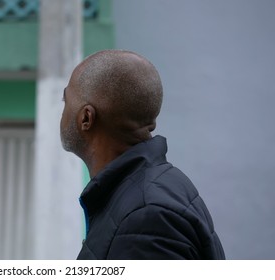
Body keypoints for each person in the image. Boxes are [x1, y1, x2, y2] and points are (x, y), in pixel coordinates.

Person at [60, 49, 225, 260]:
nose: (63, 110)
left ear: (86, 118)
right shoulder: (145, 193)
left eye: (65, 101)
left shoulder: (145, 218)